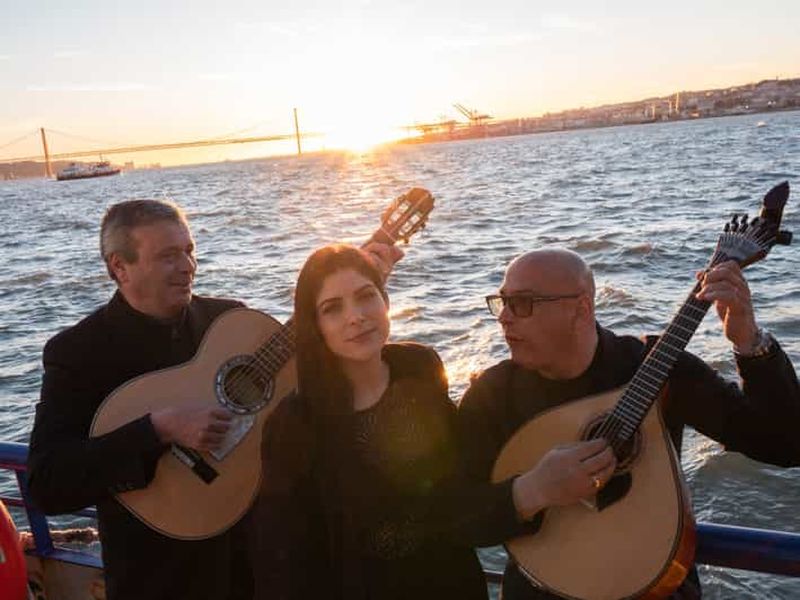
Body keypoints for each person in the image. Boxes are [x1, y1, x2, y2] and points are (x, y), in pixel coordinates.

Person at [26, 199, 400, 600]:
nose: (188, 266)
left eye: (189, 250)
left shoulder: (230, 321)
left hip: (260, 565)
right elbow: (48, 484)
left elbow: (313, 375)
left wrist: (355, 293)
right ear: (120, 267)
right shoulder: (79, 353)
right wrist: (158, 429)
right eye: (168, 256)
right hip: (160, 579)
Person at [457, 248, 800, 600]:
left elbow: (784, 445)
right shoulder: (492, 394)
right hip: (541, 591)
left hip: (655, 587)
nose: (504, 318)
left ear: (581, 308)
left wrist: (749, 341)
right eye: (503, 302)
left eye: (522, 303)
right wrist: (532, 490)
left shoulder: (658, 367)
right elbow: (454, 516)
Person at [250, 243, 489, 600]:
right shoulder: (294, 423)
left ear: (385, 301)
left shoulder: (420, 366)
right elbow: (282, 556)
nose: (356, 317)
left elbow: (459, 477)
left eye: (366, 296)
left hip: (452, 581)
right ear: (315, 326)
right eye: (332, 308)